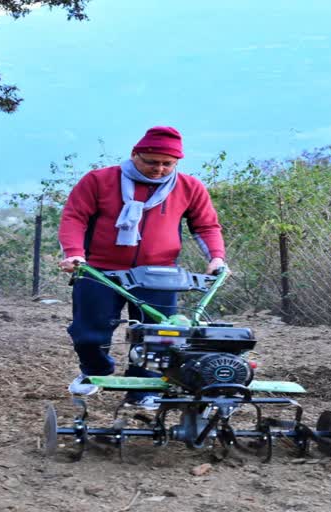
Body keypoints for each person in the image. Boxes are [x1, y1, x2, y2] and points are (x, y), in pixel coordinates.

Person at [57, 126, 226, 409]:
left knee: (158, 335)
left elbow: (206, 226)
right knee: (88, 333)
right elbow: (75, 218)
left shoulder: (189, 187)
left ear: (177, 163)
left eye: (167, 164)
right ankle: (95, 371)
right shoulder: (99, 180)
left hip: (159, 272)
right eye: (151, 162)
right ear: (135, 155)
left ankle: (142, 390)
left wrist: (217, 257)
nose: (158, 169)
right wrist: (75, 254)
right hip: (100, 270)